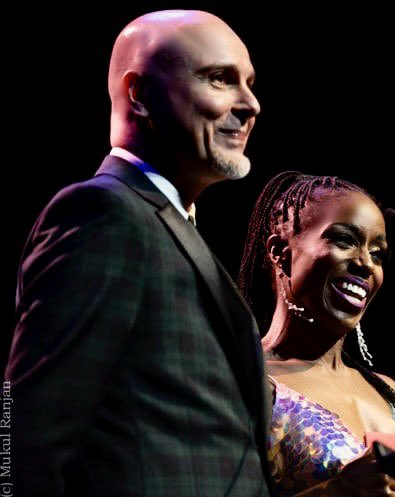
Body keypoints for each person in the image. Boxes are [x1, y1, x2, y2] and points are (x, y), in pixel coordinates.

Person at [6, 10, 273, 497]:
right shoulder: (103, 213)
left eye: (250, 82)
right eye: (220, 79)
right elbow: (26, 431)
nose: (251, 104)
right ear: (140, 95)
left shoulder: (167, 225)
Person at [238, 171, 395, 497]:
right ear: (280, 251)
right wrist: (335, 492)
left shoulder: (385, 389)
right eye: (344, 239)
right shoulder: (247, 380)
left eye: (378, 252)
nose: (366, 263)